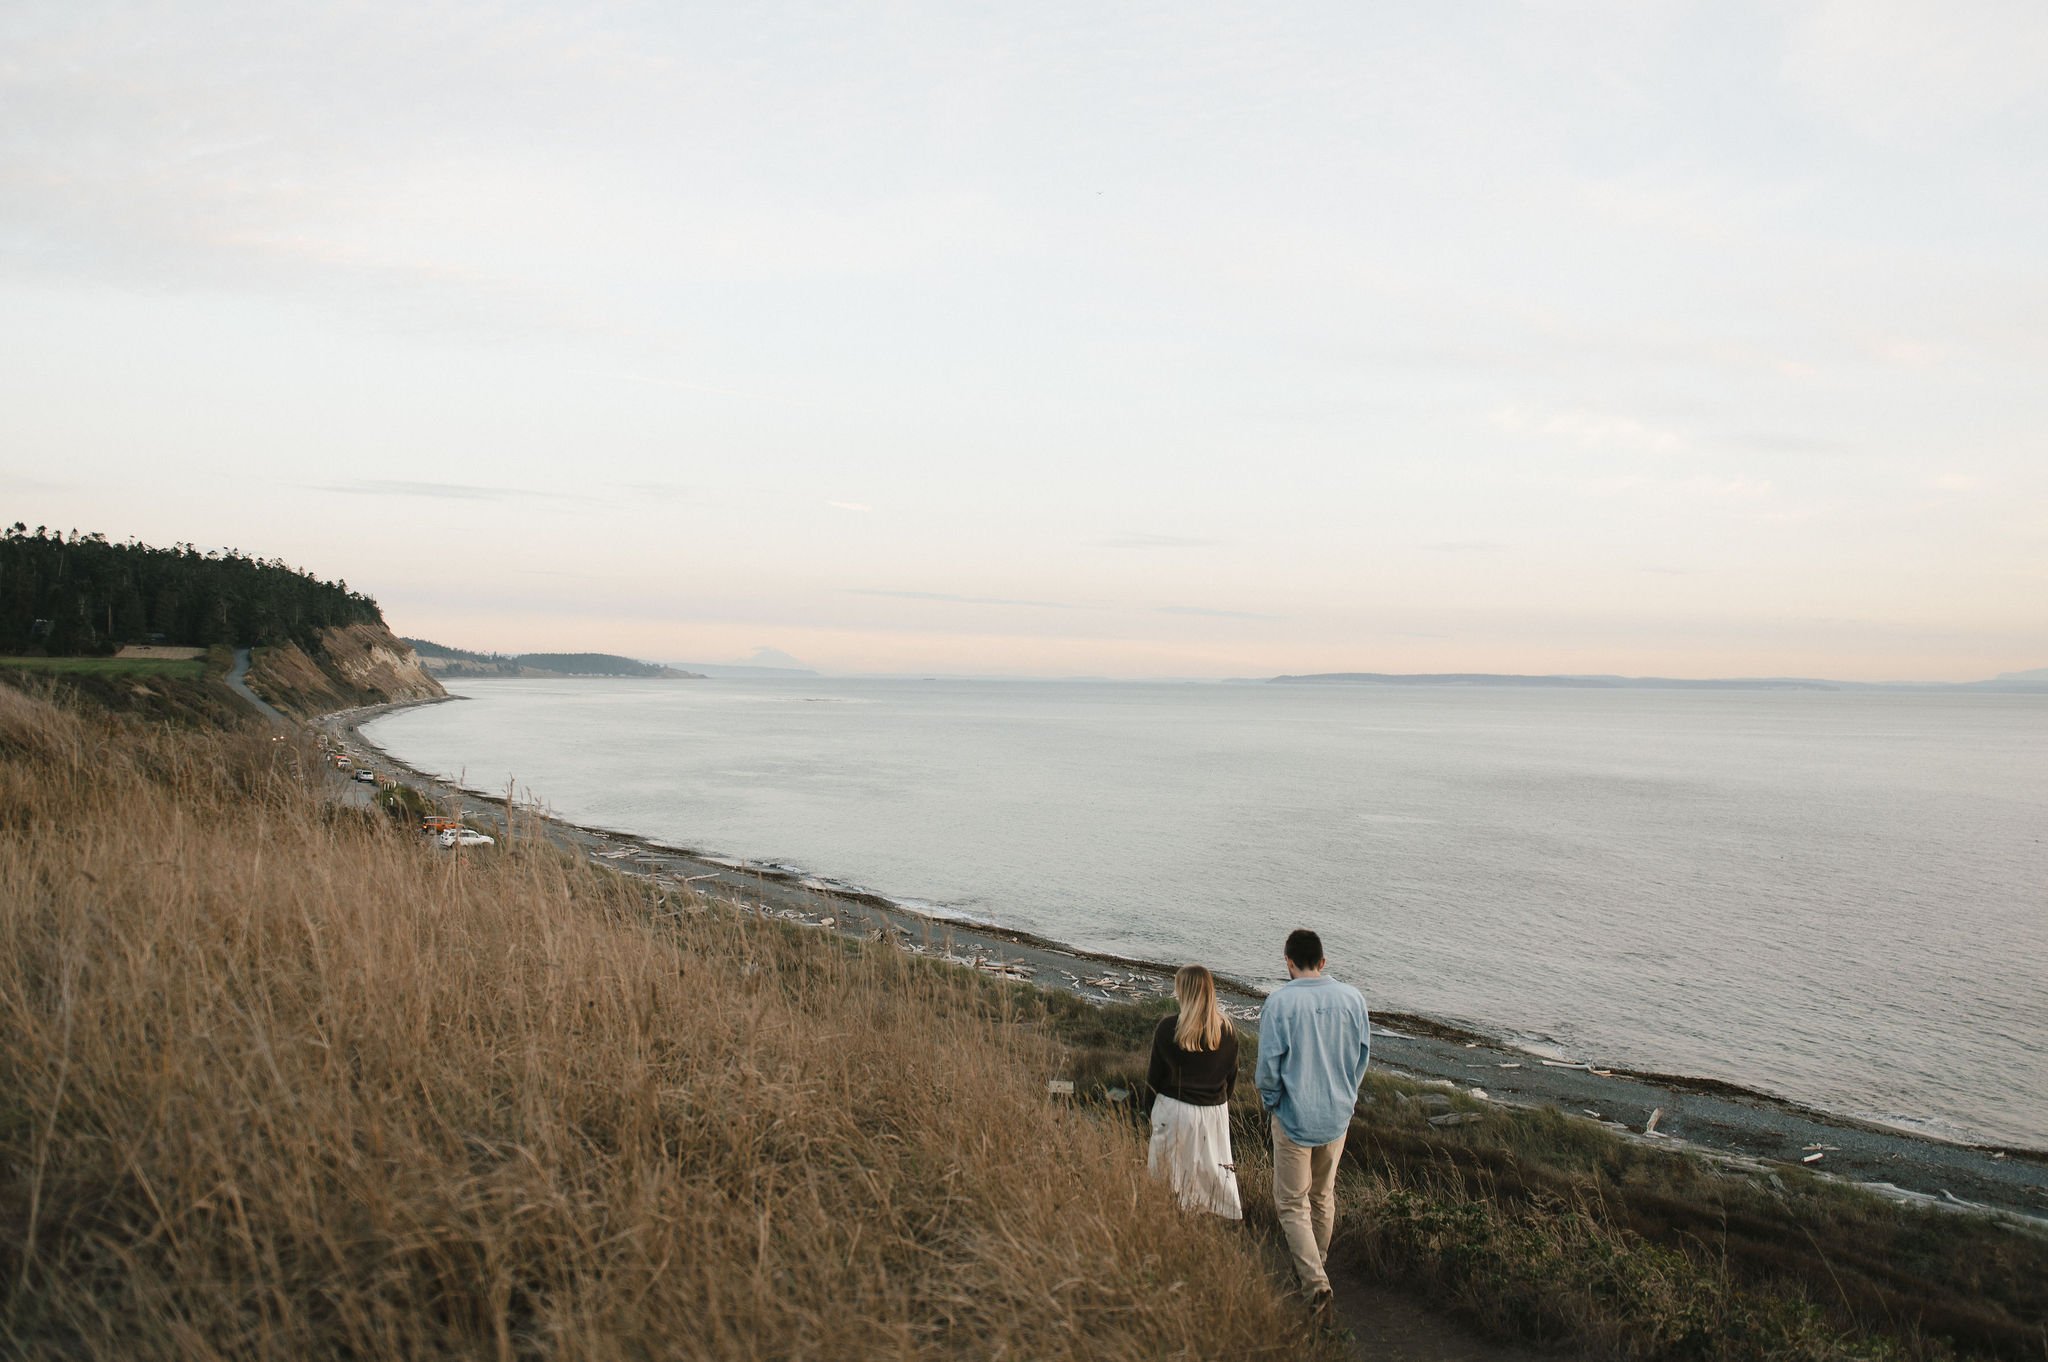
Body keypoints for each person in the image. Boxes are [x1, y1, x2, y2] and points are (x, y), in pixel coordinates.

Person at [1254, 928, 1370, 1306]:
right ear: (1323, 962)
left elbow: (1269, 1066)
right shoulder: (1354, 999)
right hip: (1337, 1115)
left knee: (1291, 1202)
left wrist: (1272, 1102)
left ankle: (1315, 1282)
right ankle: (1315, 1267)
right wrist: (1347, 1096)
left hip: (1294, 1117)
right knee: (1322, 1196)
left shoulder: (1279, 1003)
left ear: (1288, 961)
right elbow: (1361, 1056)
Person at [1145, 964, 1244, 1219]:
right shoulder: (1228, 1032)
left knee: (1168, 1179)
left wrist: (1147, 1113)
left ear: (1184, 992)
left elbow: (1153, 1080)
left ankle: (1171, 1228)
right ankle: (1198, 1229)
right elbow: (1230, 1079)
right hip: (1213, 1113)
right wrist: (1217, 1103)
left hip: (1175, 1111)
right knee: (1208, 1178)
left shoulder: (1168, 1029)